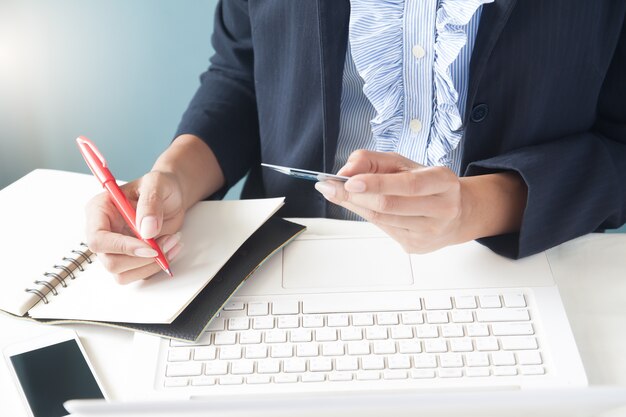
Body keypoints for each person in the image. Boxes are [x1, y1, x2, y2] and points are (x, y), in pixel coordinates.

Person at [85, 0, 626, 284]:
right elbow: (246, 73)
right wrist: (174, 176)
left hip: (520, 269)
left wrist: (476, 207)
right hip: (286, 263)